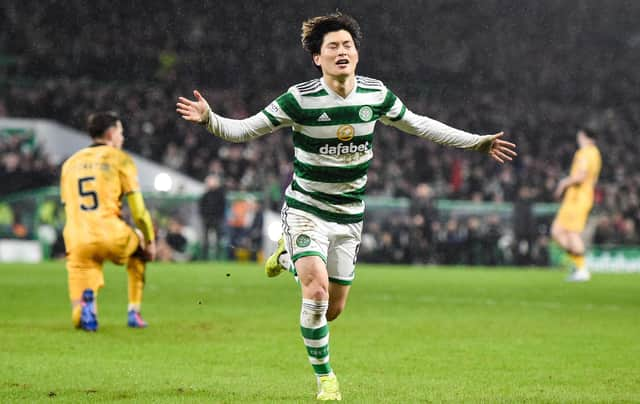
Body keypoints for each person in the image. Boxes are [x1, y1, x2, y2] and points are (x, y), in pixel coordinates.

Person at [176, 13, 517, 400]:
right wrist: (209, 119)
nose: (342, 51)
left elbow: (421, 124)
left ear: (357, 53)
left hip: (349, 217)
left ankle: (287, 257)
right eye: (333, 46)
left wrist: (478, 142)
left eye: (348, 45)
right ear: (317, 59)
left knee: (333, 310)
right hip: (306, 208)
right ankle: (326, 380)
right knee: (316, 294)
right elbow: (244, 130)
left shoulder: (375, 95)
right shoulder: (299, 99)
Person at [60, 111, 156, 331]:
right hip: (110, 234)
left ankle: (86, 307)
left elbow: (68, 205)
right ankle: (134, 312)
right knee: (139, 245)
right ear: (112, 134)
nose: (122, 138)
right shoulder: (120, 159)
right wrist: (149, 241)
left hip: (77, 240)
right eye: (121, 132)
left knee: (78, 312)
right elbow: (139, 212)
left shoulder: (69, 163)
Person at [551, 128, 602, 282]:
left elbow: (581, 175)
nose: (578, 139)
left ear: (585, 137)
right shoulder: (596, 153)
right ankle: (578, 264)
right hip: (578, 197)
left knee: (572, 232)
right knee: (557, 231)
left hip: (578, 198)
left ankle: (582, 269)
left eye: (579, 136)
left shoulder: (584, 153)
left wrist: (563, 183)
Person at [199, 174, 226, 260]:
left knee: (218, 239)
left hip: (217, 220)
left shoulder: (220, 194)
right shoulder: (206, 195)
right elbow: (201, 207)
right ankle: (204, 257)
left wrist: (219, 217)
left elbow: (222, 207)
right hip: (207, 220)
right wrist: (204, 217)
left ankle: (218, 257)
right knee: (205, 240)